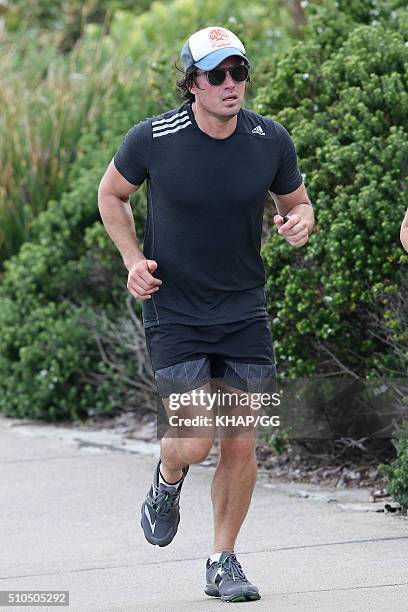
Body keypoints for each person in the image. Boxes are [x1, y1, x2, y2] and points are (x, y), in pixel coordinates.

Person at [98, 25, 314, 603]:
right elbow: (110, 194)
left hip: (245, 311)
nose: (229, 84)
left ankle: (224, 560)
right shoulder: (153, 139)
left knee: (242, 439)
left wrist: (300, 222)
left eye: (238, 72)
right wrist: (132, 258)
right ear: (191, 82)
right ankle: (166, 482)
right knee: (193, 442)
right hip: (176, 310)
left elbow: (297, 201)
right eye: (215, 74)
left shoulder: (270, 139)